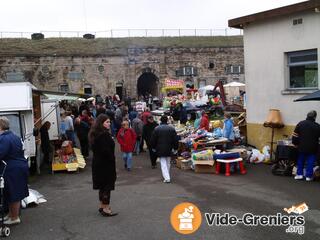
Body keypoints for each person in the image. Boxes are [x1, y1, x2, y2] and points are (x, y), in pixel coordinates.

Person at [0, 117, 29, 225]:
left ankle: (14, 217)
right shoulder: (15, 136)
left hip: (11, 169)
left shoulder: (3, 139)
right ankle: (11, 215)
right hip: (18, 167)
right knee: (12, 193)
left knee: (13, 194)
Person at [89, 114, 118, 217]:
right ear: (101, 123)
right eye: (107, 122)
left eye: (109, 122)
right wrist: (111, 158)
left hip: (98, 163)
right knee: (107, 186)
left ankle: (102, 206)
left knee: (102, 186)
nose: (109, 124)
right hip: (105, 165)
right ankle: (106, 207)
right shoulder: (104, 135)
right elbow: (106, 151)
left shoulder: (95, 133)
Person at [292, 110, 320, 181]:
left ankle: (299, 175)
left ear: (307, 116)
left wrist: (295, 143)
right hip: (313, 147)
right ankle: (308, 176)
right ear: (315, 117)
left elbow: (295, 135)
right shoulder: (317, 126)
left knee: (300, 160)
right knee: (310, 162)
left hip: (302, 146)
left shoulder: (301, 123)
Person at [151, 115, 178, 183]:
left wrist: (153, 147)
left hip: (160, 148)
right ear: (167, 120)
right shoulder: (171, 128)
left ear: (161, 120)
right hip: (169, 147)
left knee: (163, 163)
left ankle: (167, 177)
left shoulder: (156, 129)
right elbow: (175, 139)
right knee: (168, 162)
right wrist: (175, 148)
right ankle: (167, 176)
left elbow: (153, 139)